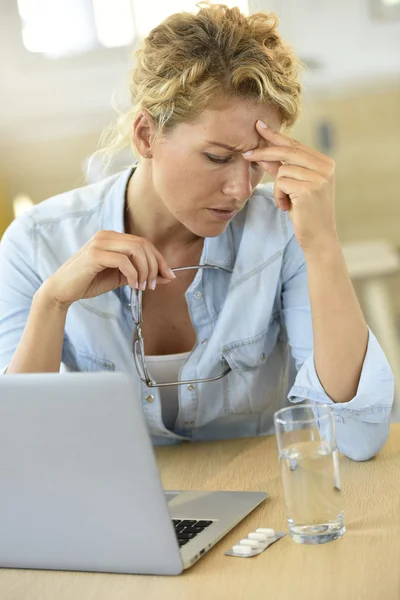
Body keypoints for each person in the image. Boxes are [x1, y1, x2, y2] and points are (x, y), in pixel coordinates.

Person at [0, 4, 393, 459]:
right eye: (217, 157)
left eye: (258, 163)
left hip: (263, 511)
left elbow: (357, 440)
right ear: (146, 135)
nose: (241, 189)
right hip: (113, 517)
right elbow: (15, 452)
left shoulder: (281, 230)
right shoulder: (35, 242)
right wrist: (53, 304)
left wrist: (322, 245)